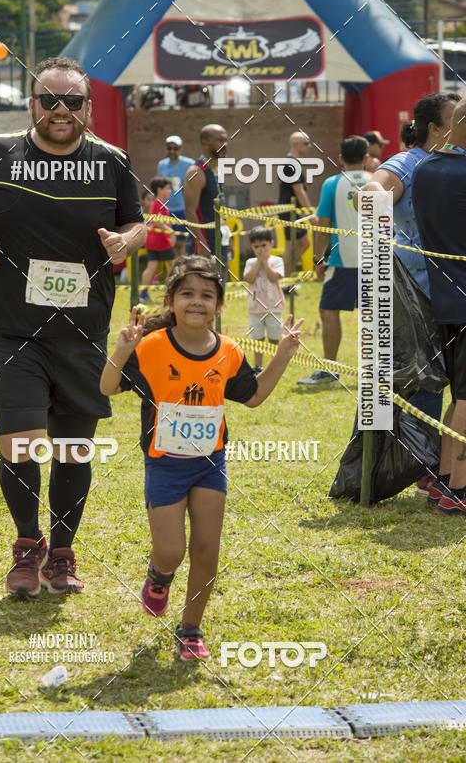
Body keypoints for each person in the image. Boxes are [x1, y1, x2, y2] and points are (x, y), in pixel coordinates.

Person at [0, 56, 146, 596]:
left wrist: (128, 241)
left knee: (74, 447)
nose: (60, 110)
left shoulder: (112, 162)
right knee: (22, 444)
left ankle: (63, 553)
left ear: (87, 109)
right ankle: (27, 547)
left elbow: (135, 221)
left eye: (72, 102)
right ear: (31, 105)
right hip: (12, 330)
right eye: (49, 100)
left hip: (83, 331)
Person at [100, 256, 302, 660]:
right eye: (187, 294)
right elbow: (107, 387)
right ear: (171, 300)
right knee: (172, 551)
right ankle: (159, 576)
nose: (197, 302)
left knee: (207, 550)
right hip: (165, 464)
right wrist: (122, 351)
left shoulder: (228, 351)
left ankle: (190, 629)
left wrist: (282, 354)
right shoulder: (151, 347)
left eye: (207, 295)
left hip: (210, 463)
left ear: (219, 305)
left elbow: (254, 396)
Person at [354, 92, 460, 429]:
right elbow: (367, 196)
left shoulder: (453, 163)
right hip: (413, 291)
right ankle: (420, 472)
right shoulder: (409, 161)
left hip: (445, 292)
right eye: (454, 118)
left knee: (442, 381)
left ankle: (433, 470)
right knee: (421, 380)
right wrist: (387, 246)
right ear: (435, 127)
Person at [412, 98, 466, 515]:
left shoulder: (425, 170)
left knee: (460, 395)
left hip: (444, 299)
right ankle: (459, 491)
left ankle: (446, 480)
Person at [298, 135, 371, 387]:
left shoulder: (332, 184)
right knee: (372, 315)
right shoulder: (377, 181)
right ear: (366, 158)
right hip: (376, 261)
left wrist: (319, 258)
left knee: (328, 311)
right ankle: (372, 372)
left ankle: (330, 368)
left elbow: (322, 226)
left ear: (340, 159)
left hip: (342, 261)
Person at [183, 124, 227, 260]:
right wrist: (201, 243)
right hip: (204, 245)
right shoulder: (196, 172)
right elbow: (190, 211)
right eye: (219, 140)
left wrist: (227, 238)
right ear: (205, 143)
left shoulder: (218, 168)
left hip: (220, 239)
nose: (225, 144)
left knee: (221, 281)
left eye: (226, 140)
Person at [243, 226, 285, 367]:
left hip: (274, 307)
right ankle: (258, 366)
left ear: (271, 243)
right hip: (255, 308)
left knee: (274, 337)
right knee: (257, 338)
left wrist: (265, 262)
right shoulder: (250, 262)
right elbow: (249, 279)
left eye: (263, 245)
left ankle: (274, 365)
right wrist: (258, 262)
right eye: (256, 246)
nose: (260, 249)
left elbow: (274, 277)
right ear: (252, 247)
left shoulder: (277, 261)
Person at [278, 132, 313, 277]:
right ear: (295, 144)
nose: (309, 146)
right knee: (290, 248)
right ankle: (281, 278)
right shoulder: (290, 163)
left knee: (304, 244)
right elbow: (299, 191)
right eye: (306, 143)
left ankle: (282, 272)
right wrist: (311, 213)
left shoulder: (293, 162)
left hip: (294, 211)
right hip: (290, 211)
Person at [139, 177, 176, 301]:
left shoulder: (158, 203)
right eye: (168, 188)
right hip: (161, 240)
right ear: (159, 190)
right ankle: (169, 292)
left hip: (151, 240)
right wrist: (170, 232)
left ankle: (143, 294)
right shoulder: (158, 203)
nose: (170, 190)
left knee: (151, 267)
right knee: (174, 264)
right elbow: (156, 220)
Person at [157, 135, 194, 256]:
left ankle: (182, 269)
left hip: (181, 209)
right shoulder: (161, 164)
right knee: (169, 242)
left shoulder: (189, 163)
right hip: (166, 210)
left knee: (181, 242)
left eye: (175, 148)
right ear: (165, 149)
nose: (172, 151)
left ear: (181, 149)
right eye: (169, 148)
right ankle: (174, 270)